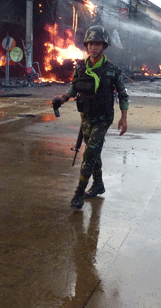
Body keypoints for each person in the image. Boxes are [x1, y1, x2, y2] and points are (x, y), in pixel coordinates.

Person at [52, 25, 129, 210]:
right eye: (91, 44)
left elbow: (123, 95)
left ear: (104, 46)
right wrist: (62, 99)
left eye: (98, 44)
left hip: (103, 117)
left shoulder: (112, 70)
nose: (93, 47)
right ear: (86, 45)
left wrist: (123, 118)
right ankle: (98, 184)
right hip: (86, 116)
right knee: (94, 153)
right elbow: (74, 87)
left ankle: (79, 192)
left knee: (90, 153)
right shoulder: (80, 66)